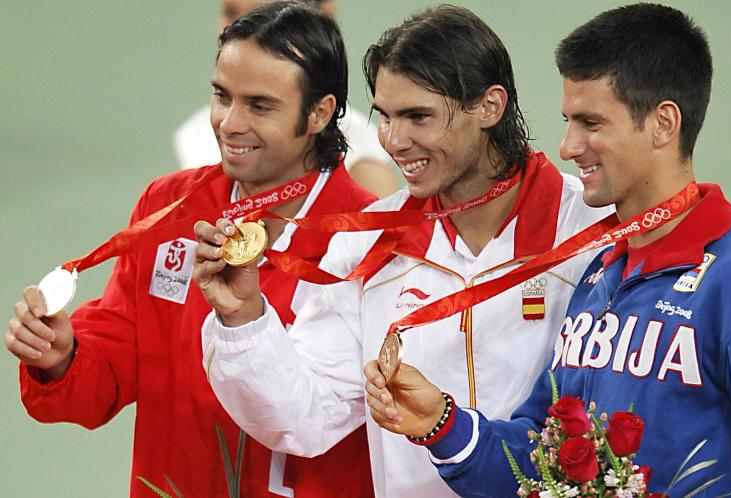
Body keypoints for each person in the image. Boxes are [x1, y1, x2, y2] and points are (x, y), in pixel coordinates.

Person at [363, 3, 731, 497]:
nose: (568, 146)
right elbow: (542, 461)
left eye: (590, 123)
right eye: (568, 121)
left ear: (663, 123)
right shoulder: (599, 276)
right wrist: (442, 424)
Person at [195, 5, 610, 497]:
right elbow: (304, 416)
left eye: (418, 116)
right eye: (385, 117)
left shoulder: (593, 234)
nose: (394, 141)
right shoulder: (368, 244)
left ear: (490, 107)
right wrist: (243, 316)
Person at [5, 3, 376, 496]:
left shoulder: (368, 237)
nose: (228, 122)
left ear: (319, 113)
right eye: (222, 96)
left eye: (259, 105)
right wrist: (64, 356)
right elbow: (117, 356)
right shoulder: (168, 207)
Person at [175, 0, 402, 198]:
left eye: (263, 13)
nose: (244, 28)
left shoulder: (361, 152)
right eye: (231, 12)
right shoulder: (195, 133)